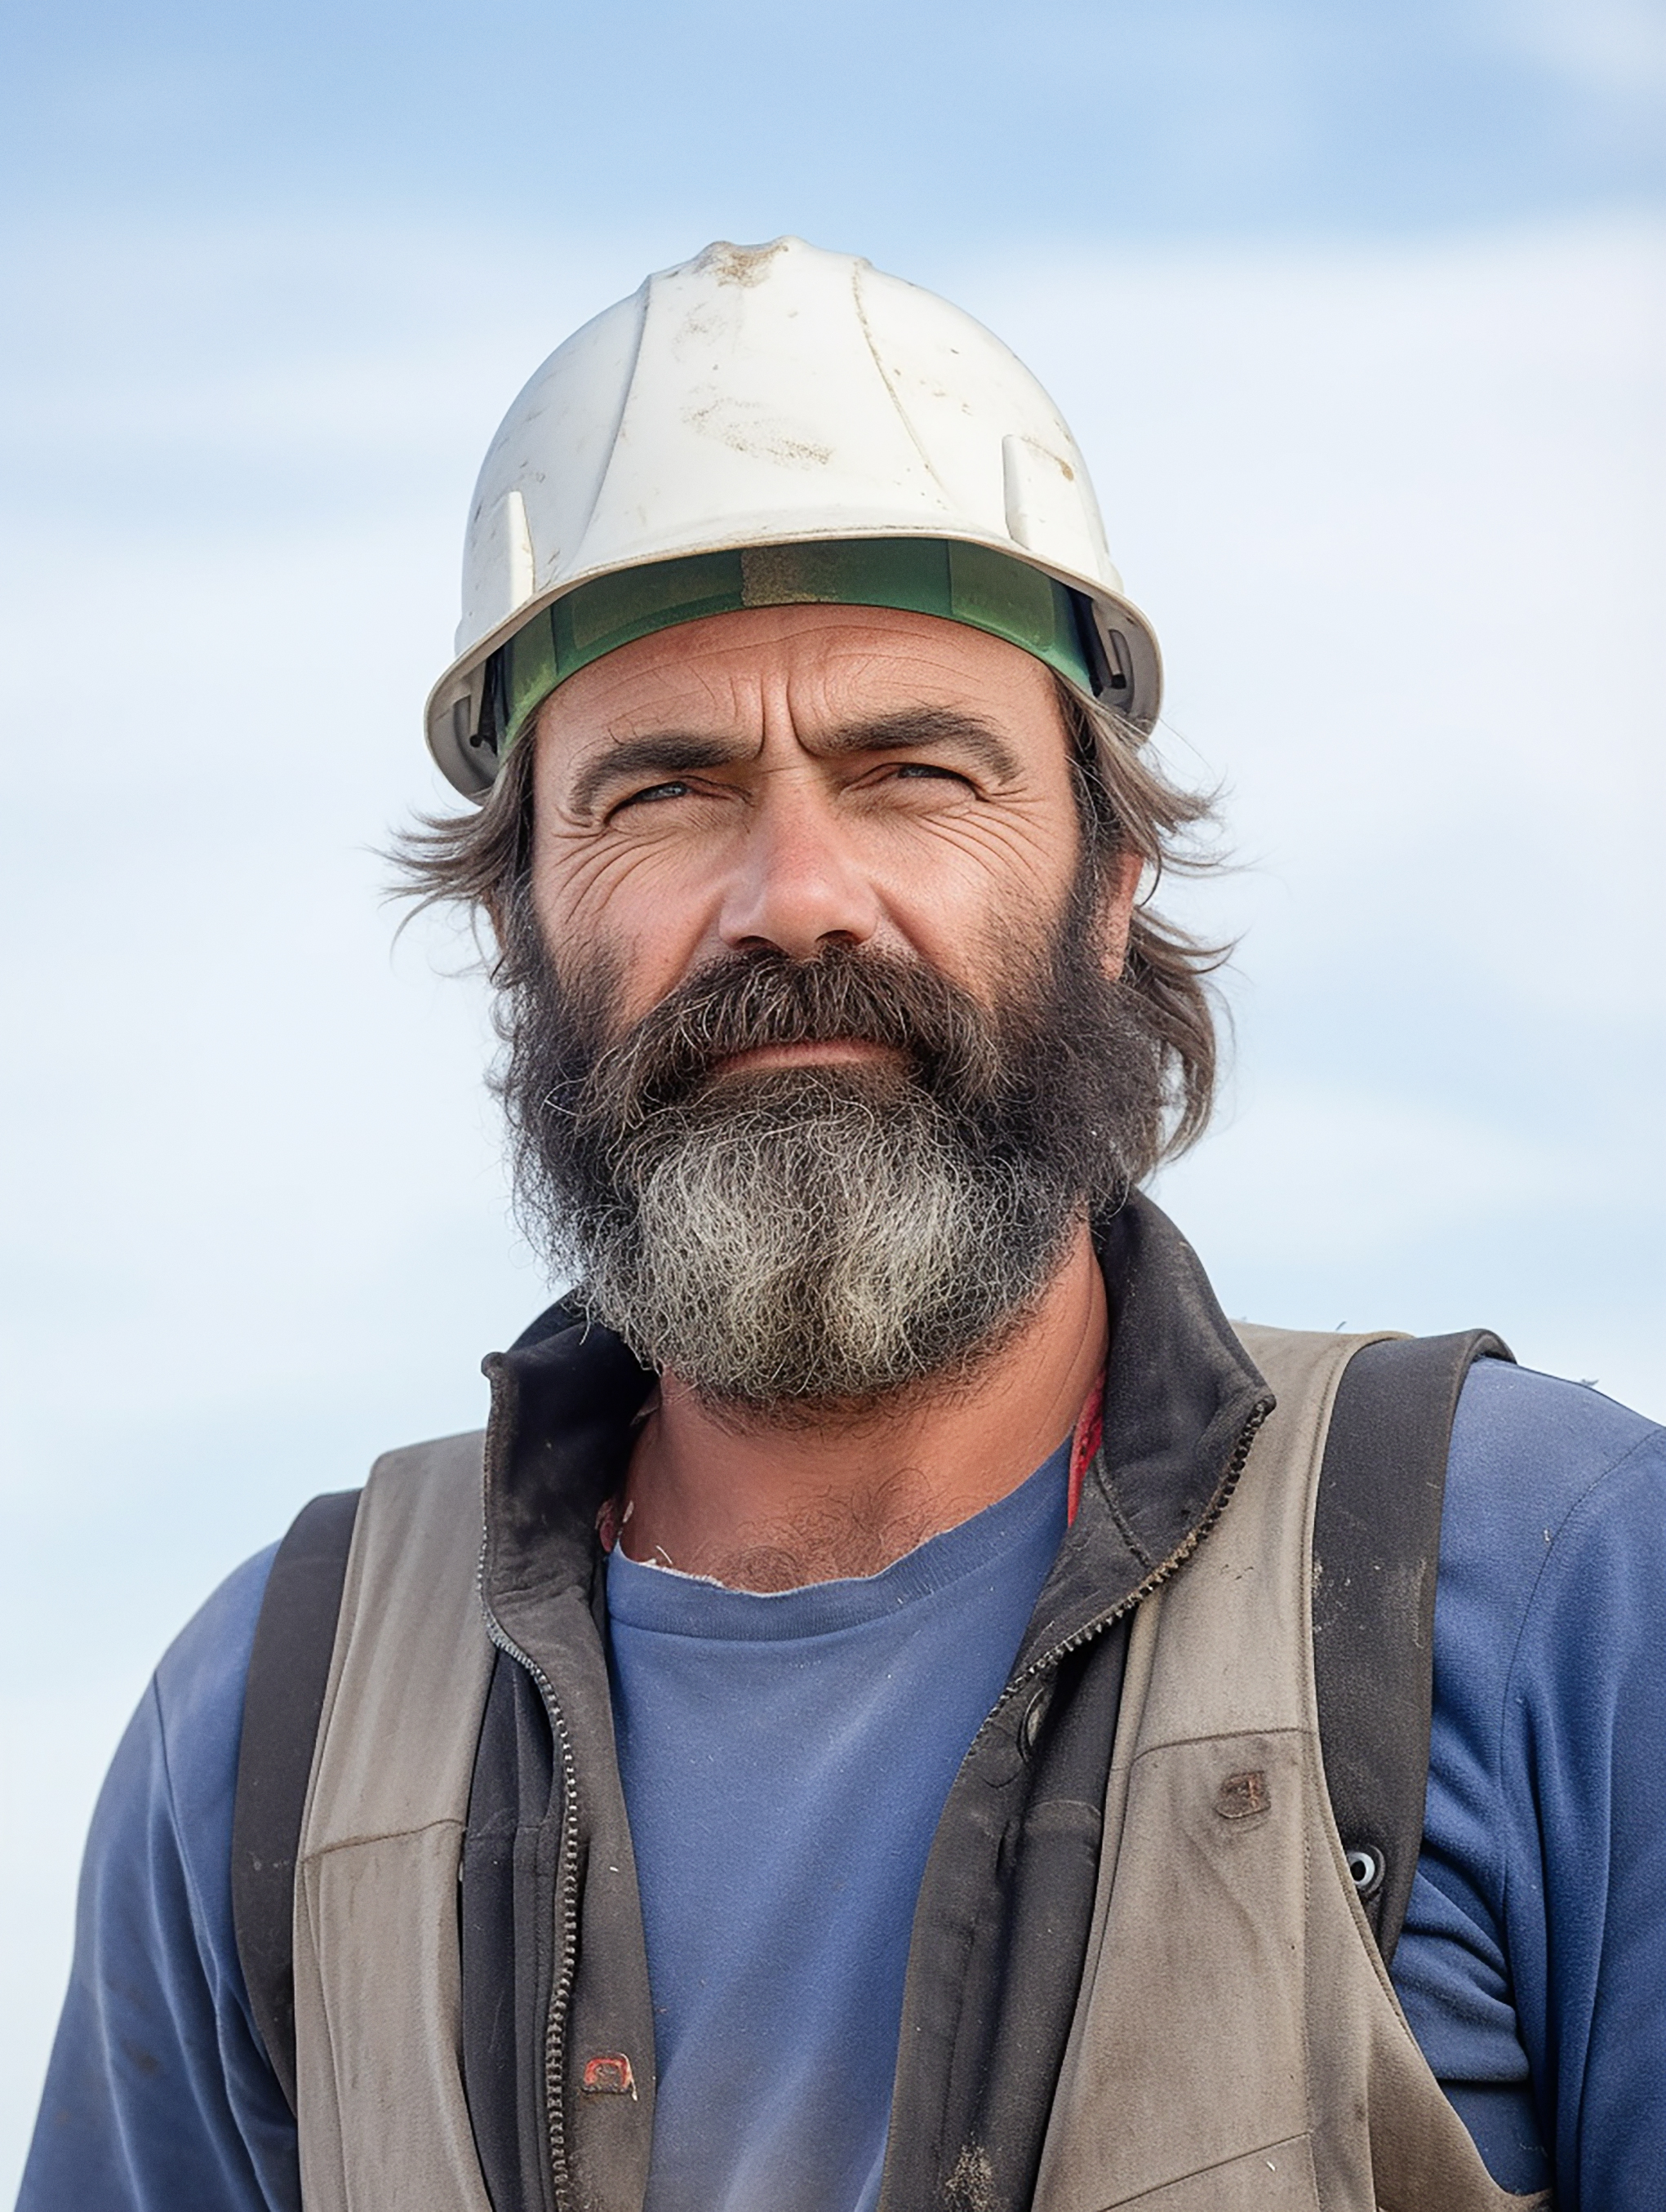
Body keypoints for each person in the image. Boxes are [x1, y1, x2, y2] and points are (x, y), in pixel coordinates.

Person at [17, 238, 1664, 2212]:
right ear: (518, 924)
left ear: (1108, 885)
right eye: (664, 793)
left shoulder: (1551, 1579)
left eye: (914, 774)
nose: (795, 892)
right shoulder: (266, 1729)